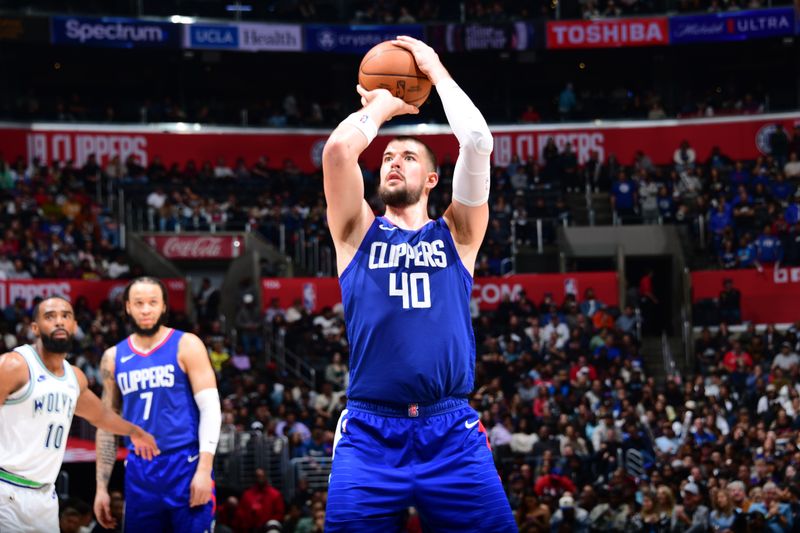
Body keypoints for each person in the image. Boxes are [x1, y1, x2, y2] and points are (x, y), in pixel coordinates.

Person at [321, 35, 516, 531]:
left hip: (450, 429)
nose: (392, 160)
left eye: (408, 157)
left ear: (432, 180)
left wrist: (434, 69)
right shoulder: (356, 231)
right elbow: (341, 150)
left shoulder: (458, 234)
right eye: (387, 156)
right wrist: (383, 107)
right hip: (369, 432)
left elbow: (477, 143)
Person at [0, 296, 158, 533]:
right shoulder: (14, 366)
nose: (59, 322)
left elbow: (100, 416)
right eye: (50, 317)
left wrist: (134, 431)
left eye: (66, 316)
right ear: (35, 328)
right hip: (5, 489)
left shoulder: (74, 378)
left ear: (75, 326)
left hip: (44, 497)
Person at [94, 277, 221, 532]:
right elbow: (107, 424)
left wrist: (204, 469)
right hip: (140, 470)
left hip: (185, 463)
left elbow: (211, 409)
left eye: (153, 302)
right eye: (139, 303)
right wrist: (101, 488)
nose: (146, 309)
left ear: (164, 306)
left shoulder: (187, 344)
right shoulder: (113, 357)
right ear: (128, 307)